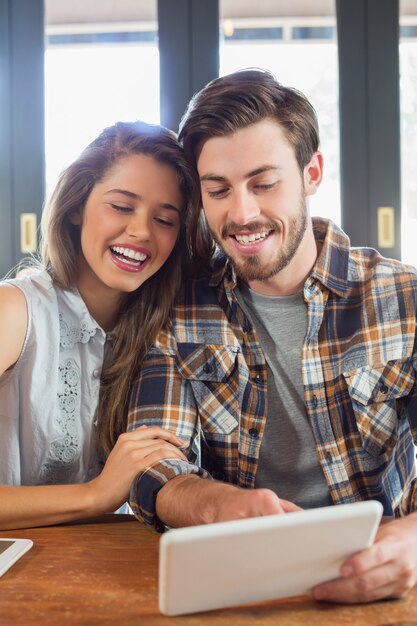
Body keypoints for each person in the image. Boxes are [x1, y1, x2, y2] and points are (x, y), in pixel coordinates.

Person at [127, 69, 417, 603]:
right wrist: (214, 503)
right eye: (218, 190)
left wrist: (415, 541)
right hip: (237, 585)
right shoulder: (177, 309)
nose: (242, 213)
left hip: (381, 581)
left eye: (264, 184)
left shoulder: (405, 298)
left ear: (312, 174)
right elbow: (151, 465)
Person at [0, 120, 197, 530]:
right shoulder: (14, 310)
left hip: (105, 570)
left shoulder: (165, 334)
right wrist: (96, 495)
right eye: (122, 206)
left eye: (165, 220)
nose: (141, 231)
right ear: (75, 208)